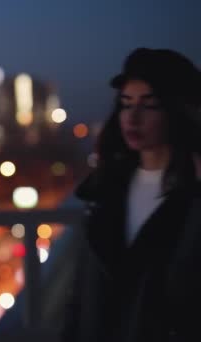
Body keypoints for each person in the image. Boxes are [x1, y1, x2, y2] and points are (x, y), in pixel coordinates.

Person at [63, 48, 201, 341]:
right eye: (126, 104)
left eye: (149, 105)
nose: (132, 117)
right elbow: (81, 295)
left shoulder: (192, 194)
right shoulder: (106, 189)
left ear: (179, 110)